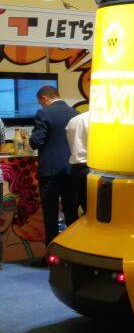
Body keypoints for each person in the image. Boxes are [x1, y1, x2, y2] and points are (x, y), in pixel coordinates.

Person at [28, 86, 79, 245]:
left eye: (40, 102)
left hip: (50, 172)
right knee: (71, 212)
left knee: (50, 215)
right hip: (71, 170)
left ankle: (51, 251)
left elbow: (36, 141)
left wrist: (31, 138)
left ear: (44, 98)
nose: (41, 105)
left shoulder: (44, 113)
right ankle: (72, 249)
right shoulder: (75, 113)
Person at [66, 110, 90, 215]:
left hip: (76, 169)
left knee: (84, 208)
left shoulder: (73, 120)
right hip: (94, 169)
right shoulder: (98, 120)